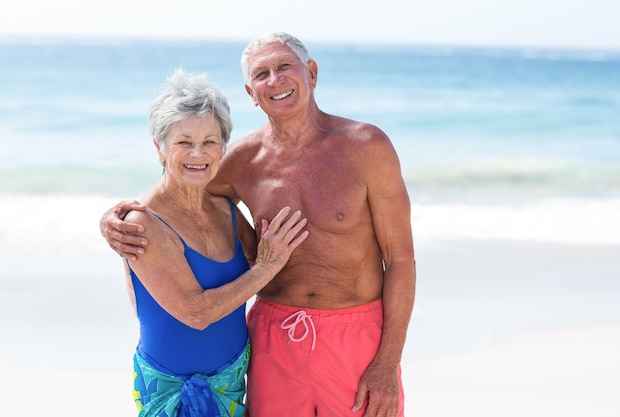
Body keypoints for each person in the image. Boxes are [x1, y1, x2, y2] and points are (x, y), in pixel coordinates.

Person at [102, 33, 415, 417]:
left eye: (284, 66)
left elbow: (400, 260)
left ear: (311, 73)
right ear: (251, 92)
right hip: (272, 336)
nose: (275, 80)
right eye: (262, 74)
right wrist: (119, 218)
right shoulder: (239, 162)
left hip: (355, 332)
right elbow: (179, 195)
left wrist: (387, 363)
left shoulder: (367, 146)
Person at [117, 68, 308, 417]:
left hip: (234, 381)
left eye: (209, 142)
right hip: (170, 390)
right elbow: (197, 313)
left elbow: (275, 267)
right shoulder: (141, 223)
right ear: (159, 147)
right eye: (183, 142)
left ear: (223, 147)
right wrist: (266, 268)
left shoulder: (227, 211)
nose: (197, 154)